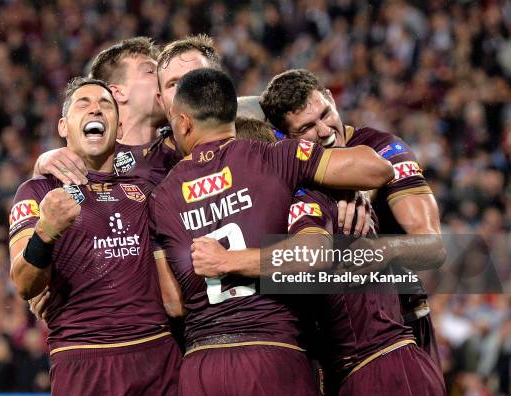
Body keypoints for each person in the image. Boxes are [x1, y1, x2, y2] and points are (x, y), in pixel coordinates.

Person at [148, 67, 393, 395]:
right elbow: (378, 169)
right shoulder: (279, 157)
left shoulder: (160, 198)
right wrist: (348, 187)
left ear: (184, 122)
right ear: (231, 115)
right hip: (273, 354)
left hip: (203, 363)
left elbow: (173, 304)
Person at [191, 120, 445, 395]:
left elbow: (311, 256)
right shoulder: (325, 195)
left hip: (381, 369)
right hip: (374, 366)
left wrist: (226, 261)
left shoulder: (304, 199)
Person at [259, 69, 445, 367]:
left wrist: (386, 249)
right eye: (306, 127)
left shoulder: (385, 149)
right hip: (328, 339)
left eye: (325, 113)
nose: (324, 130)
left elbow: (434, 248)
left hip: (402, 328)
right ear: (283, 135)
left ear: (332, 98)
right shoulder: (286, 162)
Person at [8, 77, 182, 396]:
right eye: (83, 104)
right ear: (63, 126)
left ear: (117, 127)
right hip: (83, 358)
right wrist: (45, 233)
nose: (96, 110)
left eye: (105, 105)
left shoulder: (145, 189)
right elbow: (23, 283)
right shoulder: (37, 191)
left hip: (156, 354)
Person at [34, 37, 180, 186]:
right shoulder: (80, 166)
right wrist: (40, 169)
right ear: (117, 93)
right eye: (150, 71)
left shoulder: (185, 142)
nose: (165, 77)